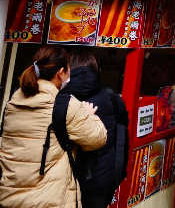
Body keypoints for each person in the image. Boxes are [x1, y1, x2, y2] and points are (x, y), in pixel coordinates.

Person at [0, 46, 107, 208]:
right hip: (49, 200)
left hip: (10, 198)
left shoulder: (13, 102)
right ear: (61, 72)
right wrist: (88, 114)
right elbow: (98, 138)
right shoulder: (66, 105)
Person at [59, 50, 129, 208]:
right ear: (96, 69)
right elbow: (122, 139)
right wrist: (118, 174)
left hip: (67, 180)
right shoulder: (111, 98)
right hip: (103, 180)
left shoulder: (61, 100)